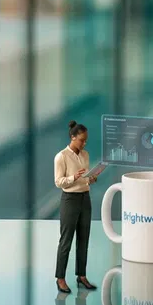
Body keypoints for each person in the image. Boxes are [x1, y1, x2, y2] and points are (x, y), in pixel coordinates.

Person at [53, 121, 101, 294]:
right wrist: (73, 177)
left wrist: (91, 178)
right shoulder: (61, 157)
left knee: (84, 239)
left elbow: (85, 179)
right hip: (70, 200)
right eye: (82, 140)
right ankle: (60, 279)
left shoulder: (85, 155)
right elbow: (59, 182)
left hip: (84, 198)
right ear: (73, 137)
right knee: (66, 240)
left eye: (86, 140)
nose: (84, 143)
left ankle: (81, 276)